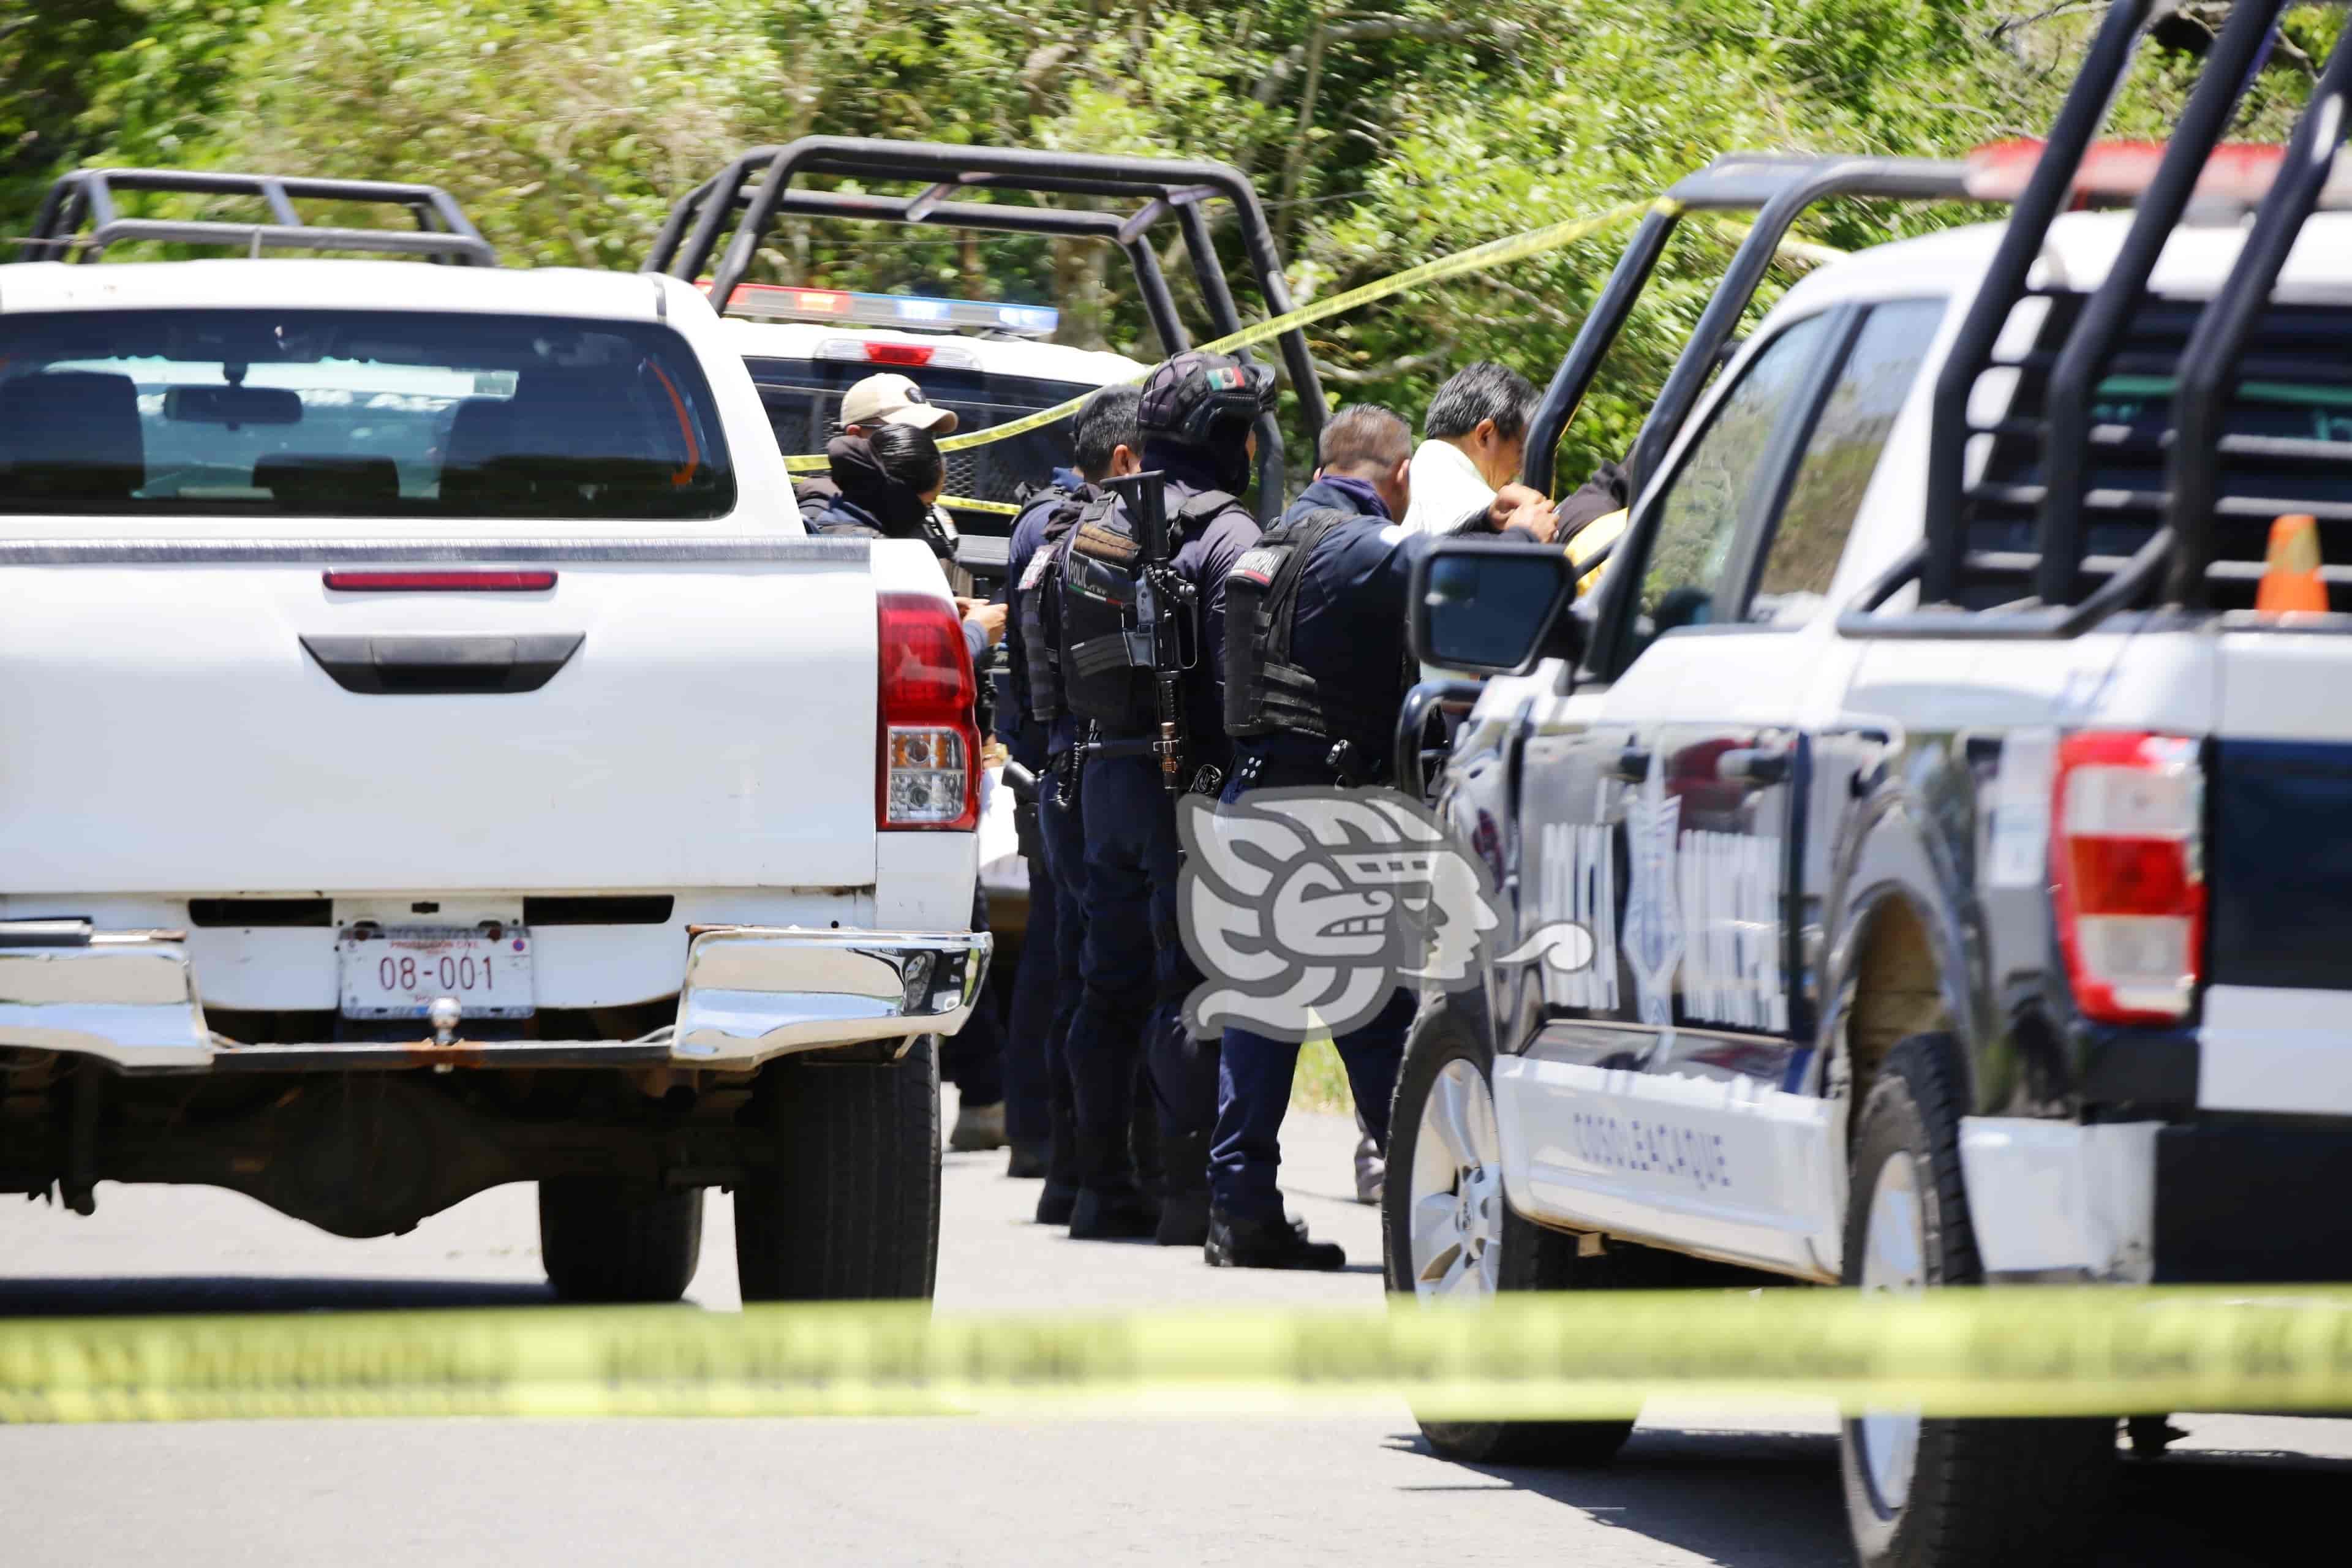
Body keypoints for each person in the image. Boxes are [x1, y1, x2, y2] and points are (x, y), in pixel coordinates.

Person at [1208, 404, 1557, 1268]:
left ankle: (1242, 1209)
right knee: (1377, 1022)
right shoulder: (1353, 545)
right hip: (1329, 815)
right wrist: (1527, 533)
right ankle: (1420, 1195)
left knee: (1268, 1022)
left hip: (1258, 803)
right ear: (1398, 478)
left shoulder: (1275, 541)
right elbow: (1443, 578)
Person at [1053, 352, 1268, 1243]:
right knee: (1193, 991)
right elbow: (1242, 686)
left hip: (1103, 786)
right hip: (1193, 790)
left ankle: (1101, 1190)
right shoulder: (1230, 537)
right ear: (1227, 439)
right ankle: (1185, 1194)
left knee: (1108, 989)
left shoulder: (1089, 527)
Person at [807, 422, 1009, 1148]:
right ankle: (956, 1096)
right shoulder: (864, 550)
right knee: (941, 934)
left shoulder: (814, 522)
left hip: (815, 793)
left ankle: (979, 1101)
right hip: (881, 789)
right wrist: (975, 633)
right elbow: (891, 664)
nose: (929, 517)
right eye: (924, 500)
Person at [1000, 385, 1145, 1213]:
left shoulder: (1038, 529)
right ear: (1125, 462)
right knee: (1111, 976)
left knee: (1065, 966)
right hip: (1105, 773)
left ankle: (1056, 1158)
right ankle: (1101, 1169)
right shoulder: (1103, 536)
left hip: (1051, 771)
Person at [794, 371, 958, 527]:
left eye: (928, 435)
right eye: (903, 433)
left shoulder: (931, 517)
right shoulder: (821, 519)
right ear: (855, 437)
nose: (919, 445)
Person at [1396, 361, 1539, 536]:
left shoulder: (1401, 487)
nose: (1521, 469)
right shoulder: (1485, 512)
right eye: (1521, 452)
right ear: (1485, 435)